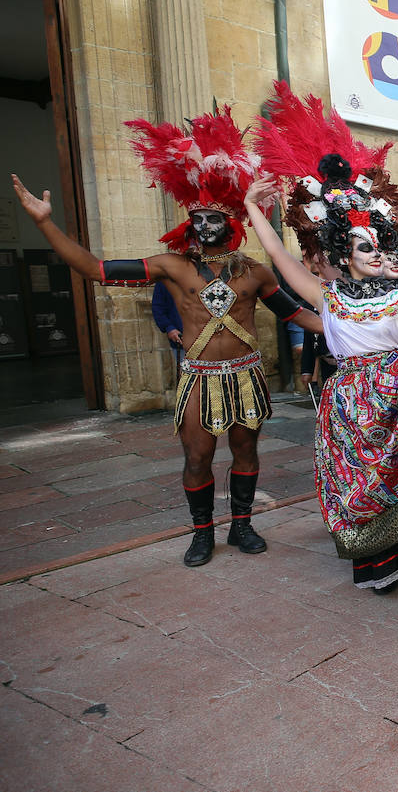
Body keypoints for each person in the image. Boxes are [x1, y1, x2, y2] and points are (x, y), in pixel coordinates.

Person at [11, 106, 319, 568]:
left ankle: (241, 524)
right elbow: (95, 270)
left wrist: (370, 322)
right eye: (196, 217)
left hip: (245, 375)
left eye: (212, 216)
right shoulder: (170, 266)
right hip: (197, 378)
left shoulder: (256, 272)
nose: (202, 224)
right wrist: (44, 223)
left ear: (232, 222)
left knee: (246, 450)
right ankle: (201, 534)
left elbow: (301, 315)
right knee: (197, 457)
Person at [249, 81, 398, 591]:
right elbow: (280, 260)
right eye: (361, 246)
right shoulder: (328, 297)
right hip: (348, 408)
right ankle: (380, 567)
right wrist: (253, 210)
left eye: (377, 244)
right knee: (360, 491)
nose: (374, 253)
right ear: (342, 255)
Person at [151, 280, 184, 369]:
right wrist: (169, 328)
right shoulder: (164, 280)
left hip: (206, 339)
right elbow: (158, 307)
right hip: (180, 339)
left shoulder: (201, 275)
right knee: (187, 377)